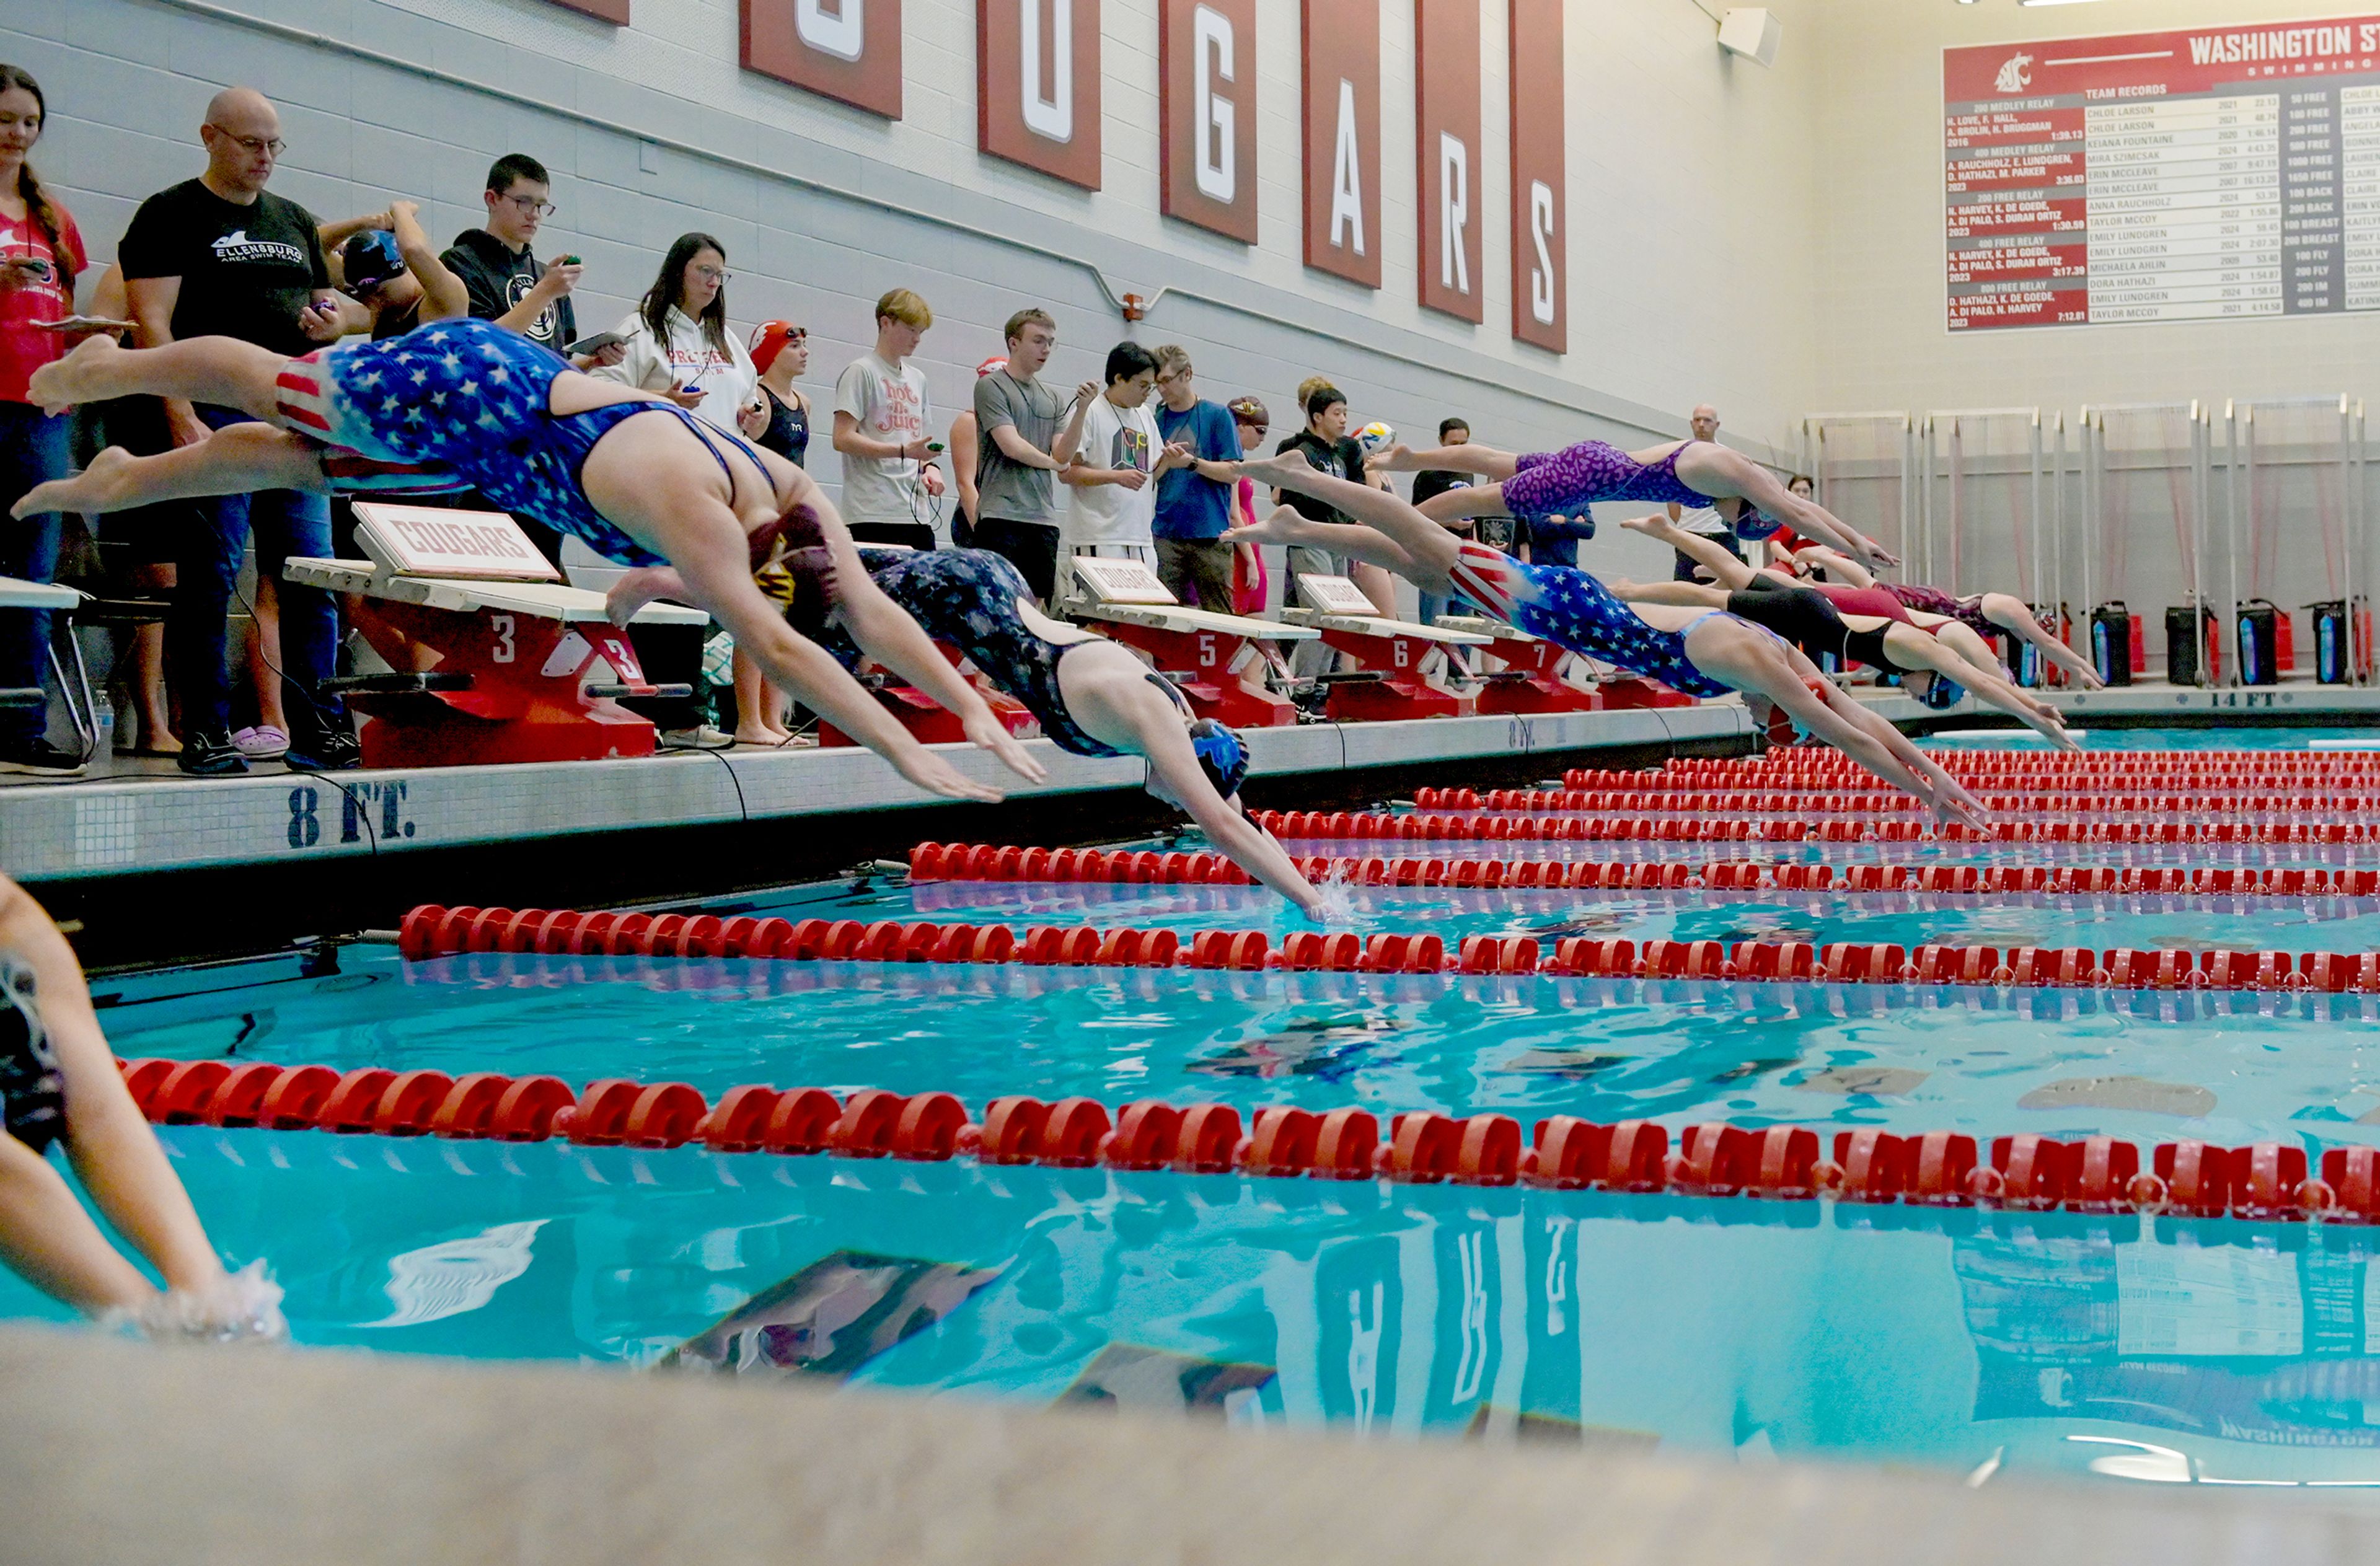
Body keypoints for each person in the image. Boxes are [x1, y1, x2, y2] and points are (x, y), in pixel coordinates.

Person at [24, 319, 1048, 805]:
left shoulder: (798, 496)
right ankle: (126, 365)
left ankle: (123, 474)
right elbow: (775, 643)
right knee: (289, 393)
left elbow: (869, 612)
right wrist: (896, 748)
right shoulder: (688, 501)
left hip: (514, 461)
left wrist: (965, 714)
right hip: (483, 390)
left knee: (307, 467)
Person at [1222, 451, 1989, 827]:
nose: (1769, 727)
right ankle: (1307, 485)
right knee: (1422, 537)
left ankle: (1306, 521)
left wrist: (1934, 781)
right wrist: (1931, 790)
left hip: (1571, 605)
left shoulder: (1763, 648)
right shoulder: (1754, 661)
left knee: (1430, 561)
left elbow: (1859, 719)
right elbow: (1844, 732)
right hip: (1555, 606)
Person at [612, 547, 1325, 920]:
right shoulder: (1149, 718)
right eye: (1185, 792)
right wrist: (1316, 904)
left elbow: (1235, 816)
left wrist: (1305, 881)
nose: (1179, 805)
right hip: (969, 597)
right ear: (1187, 763)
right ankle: (670, 580)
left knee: (843, 569)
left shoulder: (1175, 721)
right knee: (806, 605)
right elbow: (1226, 831)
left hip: (991, 587)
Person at [117, 86, 355, 776]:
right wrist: (178, 407)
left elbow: (327, 308)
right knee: (212, 574)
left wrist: (330, 323)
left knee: (311, 573)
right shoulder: (169, 214)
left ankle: (320, 725)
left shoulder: (295, 222)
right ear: (211, 137)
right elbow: (152, 324)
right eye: (252, 143)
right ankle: (208, 729)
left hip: (289, 417)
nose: (266, 158)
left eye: (275, 145)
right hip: (214, 410)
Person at [0, 872, 275, 1335]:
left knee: (209, 1312)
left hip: (15, 925)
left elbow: (96, 1113)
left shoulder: (14, 921)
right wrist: (156, 1324)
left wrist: (210, 1296)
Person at [1612, 514, 2079, 749]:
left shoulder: (1915, 645)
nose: (1915, 697)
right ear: (1934, 679)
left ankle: (1665, 539)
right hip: (1816, 618)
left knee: (1731, 580)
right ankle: (1635, 585)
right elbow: (1983, 680)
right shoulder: (1926, 645)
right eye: (1926, 696)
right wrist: (2034, 718)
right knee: (1717, 595)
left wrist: (2034, 706)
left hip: (1828, 607)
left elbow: (1985, 680)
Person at [1373, 425, 1900, 574]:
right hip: (1591, 479)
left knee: (1501, 463)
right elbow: (1800, 512)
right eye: (1734, 519)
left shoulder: (1744, 477)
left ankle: (1410, 459)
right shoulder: (1733, 474)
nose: (1721, 515)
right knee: (1483, 499)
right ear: (1750, 507)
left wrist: (1855, 539)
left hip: (1596, 461)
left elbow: (1805, 506)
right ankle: (1391, 522)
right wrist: (1853, 549)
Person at [0, 64, 90, 776]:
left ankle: (22, 725)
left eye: (29, 122)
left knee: (33, 572)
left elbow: (62, 317)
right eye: (5, 120)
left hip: (40, 410)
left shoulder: (52, 219)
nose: (17, 135)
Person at [1789, 540, 2103, 690]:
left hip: (1933, 613)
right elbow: (2048, 645)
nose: (2028, 640)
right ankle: (1820, 562)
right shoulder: (2011, 609)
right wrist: (2083, 669)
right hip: (1934, 607)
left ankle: (1816, 571)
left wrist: (2079, 670)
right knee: (1870, 590)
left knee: (1869, 593)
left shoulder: (2003, 623)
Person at [439, 153, 619, 371]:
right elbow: (480, 348)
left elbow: (555, 367)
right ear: (492, 199)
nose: (534, 215)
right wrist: (544, 292)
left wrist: (590, 362)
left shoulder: (547, 276)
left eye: (541, 206)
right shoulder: (461, 263)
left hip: (544, 401)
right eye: (523, 202)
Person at [731, 320, 813, 744]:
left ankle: (772, 719)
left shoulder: (803, 403)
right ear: (769, 351)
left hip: (790, 518)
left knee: (781, 622)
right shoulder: (757, 397)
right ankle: (749, 721)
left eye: (804, 344)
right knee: (756, 619)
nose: (803, 350)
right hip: (760, 517)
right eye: (793, 343)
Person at [972, 309, 1089, 605]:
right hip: (1002, 516)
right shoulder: (991, 386)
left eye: (1050, 342)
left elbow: (1064, 452)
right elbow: (1010, 444)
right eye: (1038, 340)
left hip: (1042, 518)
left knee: (1035, 606)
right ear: (1014, 343)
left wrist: (1083, 411)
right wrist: (1053, 464)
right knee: (997, 604)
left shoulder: (1053, 398)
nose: (1046, 349)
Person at [591, 232, 756, 434]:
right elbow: (599, 393)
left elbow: (752, 406)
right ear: (678, 272)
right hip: (663, 457)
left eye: (720, 276)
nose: (714, 282)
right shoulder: (640, 328)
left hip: (722, 460)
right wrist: (661, 399)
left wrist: (749, 417)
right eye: (706, 271)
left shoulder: (726, 339)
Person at [1060, 341, 1188, 599]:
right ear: (1119, 378)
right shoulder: (1089, 411)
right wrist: (1115, 477)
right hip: (1099, 535)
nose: (1148, 393)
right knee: (1097, 620)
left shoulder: (1144, 415)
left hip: (1139, 536)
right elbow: (1067, 472)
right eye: (1143, 386)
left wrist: (1167, 462)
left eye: (1151, 387)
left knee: (1136, 623)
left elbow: (1147, 479)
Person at [832, 288, 941, 550]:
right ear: (886, 323)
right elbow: (842, 438)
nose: (917, 339)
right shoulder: (861, 372)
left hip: (915, 511)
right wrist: (901, 451)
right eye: (911, 329)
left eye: (921, 332)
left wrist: (931, 468)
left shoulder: (918, 379)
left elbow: (919, 443)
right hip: (873, 510)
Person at [1274, 381, 1396, 617]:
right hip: (1310, 538)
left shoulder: (1342, 454)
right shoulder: (1300, 451)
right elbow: (1285, 498)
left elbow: (1355, 494)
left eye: (1345, 414)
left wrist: (1351, 519)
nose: (1343, 420)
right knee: (1321, 617)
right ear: (1317, 416)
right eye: (1337, 414)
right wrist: (1331, 496)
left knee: (1338, 619)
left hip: (1338, 540)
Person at [1148, 346, 1244, 614]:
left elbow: (1233, 472)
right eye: (1157, 384)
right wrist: (1166, 463)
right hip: (1167, 533)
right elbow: (1149, 479)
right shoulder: (1155, 419)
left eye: (1166, 380)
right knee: (1162, 617)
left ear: (1187, 374)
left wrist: (1192, 463)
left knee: (1220, 616)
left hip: (1210, 534)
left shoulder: (1217, 416)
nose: (1162, 389)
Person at [324, 202, 469, 342]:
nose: (373, 300)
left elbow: (414, 250)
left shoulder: (445, 301)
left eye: (379, 292)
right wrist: (366, 223)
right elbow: (314, 249)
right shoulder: (376, 305)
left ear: (399, 268)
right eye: (362, 291)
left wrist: (401, 210)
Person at [1660, 404, 1743, 581]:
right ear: (1691, 423)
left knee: (1727, 591)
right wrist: (1686, 523)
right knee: (1685, 592)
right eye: (1697, 420)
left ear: (1717, 425)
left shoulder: (1728, 456)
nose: (1702, 425)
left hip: (1722, 537)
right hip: (1689, 535)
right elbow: (1672, 498)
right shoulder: (1678, 454)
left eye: (1707, 420)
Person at [947, 356, 1006, 550]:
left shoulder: (1007, 429)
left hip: (1003, 518)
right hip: (978, 519)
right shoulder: (969, 422)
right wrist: (983, 535)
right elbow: (966, 484)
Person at [1225, 395, 1271, 615]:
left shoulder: (1241, 461)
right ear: (1241, 427)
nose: (1263, 438)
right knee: (1240, 625)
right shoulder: (1230, 461)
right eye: (1260, 430)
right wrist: (1251, 561)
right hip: (1241, 553)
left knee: (1258, 620)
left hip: (1250, 551)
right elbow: (1234, 515)